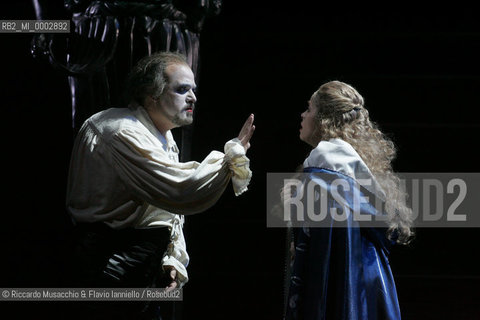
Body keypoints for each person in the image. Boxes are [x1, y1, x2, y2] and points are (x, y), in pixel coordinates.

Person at [65, 51, 255, 320]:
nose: (193, 97)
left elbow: (163, 212)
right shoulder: (120, 130)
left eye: (193, 89)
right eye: (181, 89)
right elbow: (179, 190)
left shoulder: (161, 135)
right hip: (108, 272)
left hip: (139, 274)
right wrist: (230, 157)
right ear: (151, 93)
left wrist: (169, 260)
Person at [284, 80, 413, 320]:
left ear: (324, 118)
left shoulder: (324, 172)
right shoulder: (355, 173)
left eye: (309, 109)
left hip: (341, 297)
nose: (303, 115)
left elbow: (324, 261)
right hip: (370, 289)